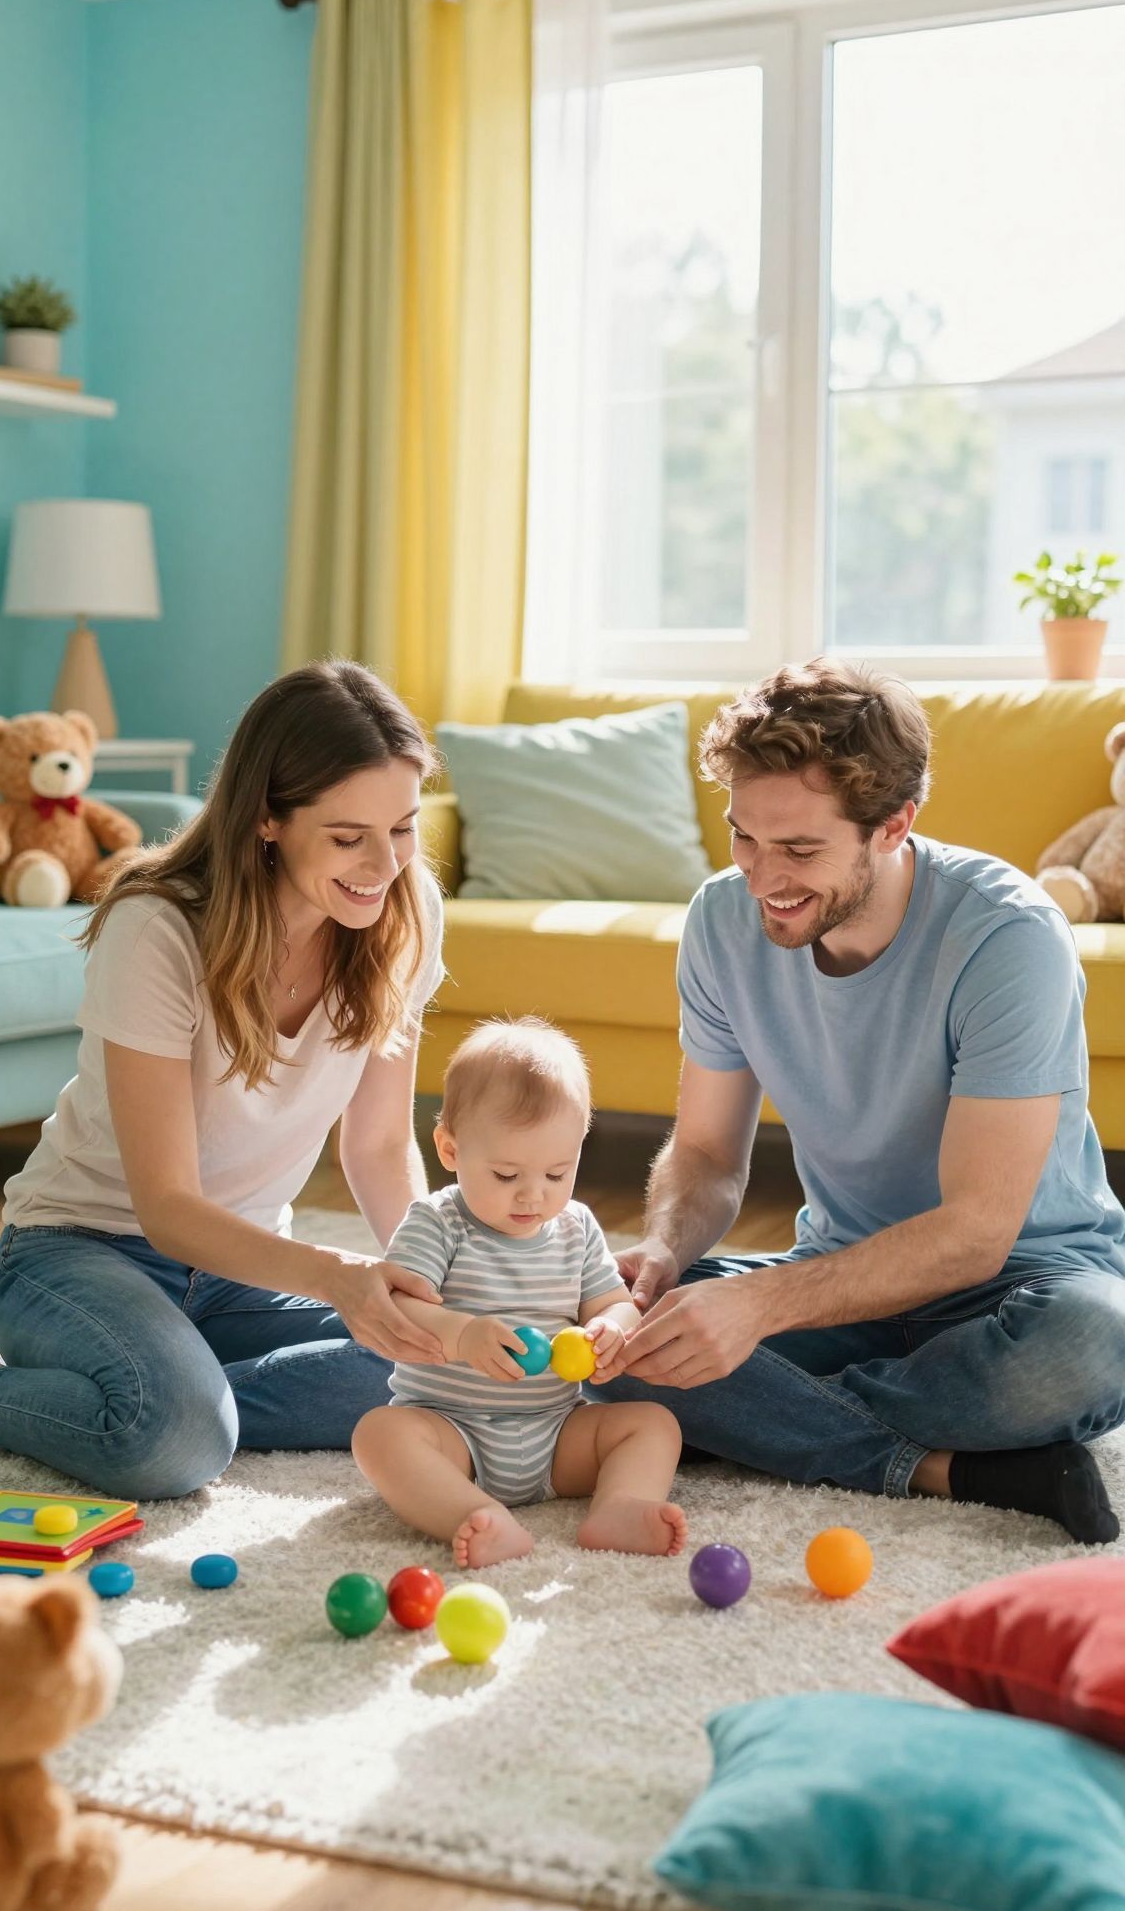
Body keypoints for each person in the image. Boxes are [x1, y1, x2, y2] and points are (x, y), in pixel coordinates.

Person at [594, 658, 1125, 1546]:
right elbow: (707, 1157)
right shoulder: (722, 921)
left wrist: (757, 1311)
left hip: (1024, 1288)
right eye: (744, 839)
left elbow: (976, 1232)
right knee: (599, 1335)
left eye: (800, 850)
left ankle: (762, 1418)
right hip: (841, 1289)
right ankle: (941, 1465)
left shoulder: (1008, 937)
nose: (763, 879)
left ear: (894, 825)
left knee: (1093, 1349)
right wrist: (660, 1245)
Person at [0, 660, 452, 1500]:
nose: (385, 864)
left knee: (446, 1371)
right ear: (267, 817)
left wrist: (440, 1288)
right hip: (82, 1251)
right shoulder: (157, 929)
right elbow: (167, 1208)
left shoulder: (404, 914)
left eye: (404, 828)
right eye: (349, 837)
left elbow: (377, 1146)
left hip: (243, 1268)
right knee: (175, 1440)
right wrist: (340, 1279)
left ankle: (176, 1387)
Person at [353, 1019, 687, 1567]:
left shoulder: (577, 1227)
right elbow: (397, 1304)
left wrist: (612, 1330)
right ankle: (469, 1513)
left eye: (558, 1173)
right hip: (451, 1432)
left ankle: (621, 1506)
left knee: (653, 1424)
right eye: (506, 1175)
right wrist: (462, 1336)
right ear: (450, 1149)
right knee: (379, 1436)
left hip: (557, 1435)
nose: (533, 1194)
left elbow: (612, 1302)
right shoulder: (437, 1222)